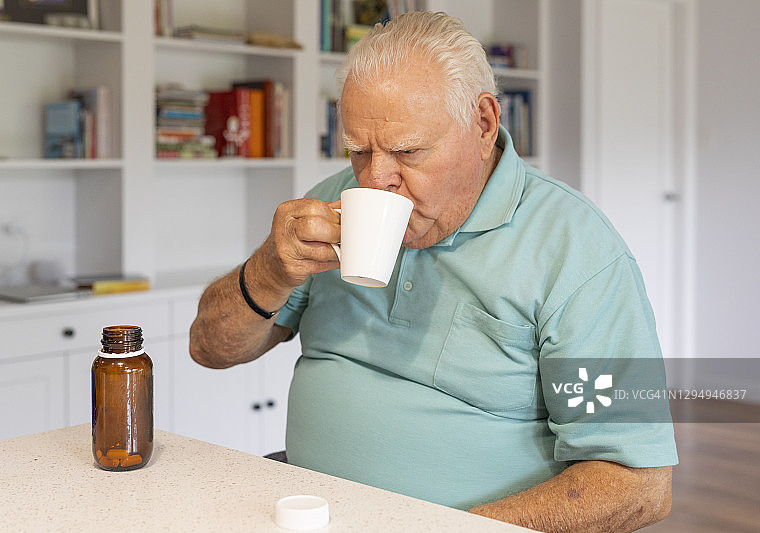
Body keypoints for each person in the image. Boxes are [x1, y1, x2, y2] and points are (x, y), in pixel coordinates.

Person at [190, 11, 677, 532]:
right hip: (307, 508)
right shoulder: (332, 201)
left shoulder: (576, 251)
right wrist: (269, 270)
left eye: (408, 151)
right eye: (358, 150)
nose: (376, 179)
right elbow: (210, 350)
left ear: (484, 123)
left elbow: (639, 481)